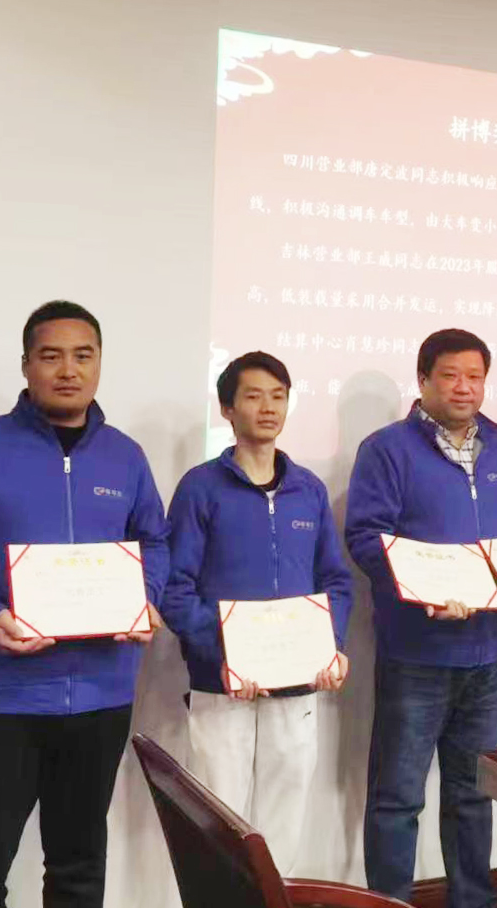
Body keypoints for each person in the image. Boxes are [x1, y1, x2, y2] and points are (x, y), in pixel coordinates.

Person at [0, 300, 169, 908]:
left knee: (79, 865)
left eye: (83, 356)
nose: (68, 370)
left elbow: (154, 541)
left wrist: (145, 598)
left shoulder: (125, 456)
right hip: (4, 696)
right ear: (26, 364)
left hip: (102, 696)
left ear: (100, 363)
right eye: (51, 356)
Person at [346, 328, 497, 908]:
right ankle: (389, 902)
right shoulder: (386, 449)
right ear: (423, 380)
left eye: (475, 377)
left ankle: (473, 899)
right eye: (450, 375)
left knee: (472, 793)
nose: (464, 388)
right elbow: (366, 536)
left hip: (487, 653)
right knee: (398, 797)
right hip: (416, 652)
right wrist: (424, 590)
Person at [161, 351, 353, 874]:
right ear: (227, 408)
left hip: (298, 686)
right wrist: (223, 653)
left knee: (283, 825)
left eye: (278, 396)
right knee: (218, 823)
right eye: (253, 396)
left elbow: (335, 581)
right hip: (223, 685)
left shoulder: (309, 490)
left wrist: (331, 647)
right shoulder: (201, 488)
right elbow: (175, 589)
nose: (268, 407)